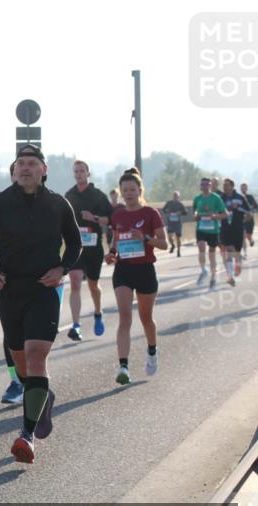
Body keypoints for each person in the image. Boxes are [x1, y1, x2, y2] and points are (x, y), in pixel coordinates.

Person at [0, 144, 82, 464]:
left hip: (43, 288)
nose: (25, 168)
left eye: (32, 163)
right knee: (21, 363)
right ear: (13, 171)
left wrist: (62, 269)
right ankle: (41, 396)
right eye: (20, 164)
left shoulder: (57, 204)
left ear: (44, 170)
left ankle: (25, 435)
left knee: (36, 353)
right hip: (10, 290)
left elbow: (76, 243)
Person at [104, 168, 167, 385]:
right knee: (124, 318)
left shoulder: (151, 213)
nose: (129, 193)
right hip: (123, 270)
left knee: (146, 318)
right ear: (120, 192)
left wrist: (146, 237)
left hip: (145, 270)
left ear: (139, 190)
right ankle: (123, 367)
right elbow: (115, 239)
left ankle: (151, 350)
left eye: (132, 189)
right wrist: (111, 254)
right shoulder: (118, 214)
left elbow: (164, 243)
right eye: (125, 190)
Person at [63, 159, 113, 340]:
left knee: (93, 285)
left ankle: (98, 313)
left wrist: (94, 218)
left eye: (82, 171)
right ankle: (76, 325)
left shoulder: (98, 195)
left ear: (88, 173)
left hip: (93, 247)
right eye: (76, 171)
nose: (78, 174)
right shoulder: (69, 195)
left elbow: (111, 219)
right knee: (75, 282)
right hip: (75, 247)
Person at [193, 177, 228, 288]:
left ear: (210, 185)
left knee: (212, 254)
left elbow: (225, 214)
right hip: (201, 229)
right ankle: (204, 269)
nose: (204, 186)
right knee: (201, 246)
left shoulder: (216, 198)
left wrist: (215, 216)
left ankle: (213, 277)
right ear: (200, 186)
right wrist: (196, 216)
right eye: (202, 184)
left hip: (213, 230)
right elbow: (194, 212)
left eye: (206, 184)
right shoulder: (197, 198)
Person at [221, 178, 250, 284]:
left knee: (236, 252)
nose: (225, 187)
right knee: (229, 251)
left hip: (237, 228)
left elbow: (248, 212)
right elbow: (217, 211)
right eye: (224, 185)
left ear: (232, 187)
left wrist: (238, 208)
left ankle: (238, 262)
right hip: (225, 228)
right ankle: (230, 276)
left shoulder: (240, 198)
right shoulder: (220, 199)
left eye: (227, 185)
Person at [161, 191, 188, 257]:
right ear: (173, 196)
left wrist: (180, 213)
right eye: (174, 196)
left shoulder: (180, 204)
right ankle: (173, 245)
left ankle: (178, 251)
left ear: (178, 197)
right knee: (169, 236)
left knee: (178, 238)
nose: (175, 197)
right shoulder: (169, 203)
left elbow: (185, 212)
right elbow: (163, 210)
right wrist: (167, 212)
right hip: (170, 222)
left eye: (177, 196)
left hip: (178, 223)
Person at [242, 182, 256, 252]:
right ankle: (244, 253)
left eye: (245, 187)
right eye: (242, 187)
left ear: (247, 189)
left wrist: (252, 210)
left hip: (250, 219)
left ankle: (251, 240)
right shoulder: (239, 197)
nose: (243, 189)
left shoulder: (250, 197)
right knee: (243, 236)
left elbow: (256, 207)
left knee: (248, 235)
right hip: (242, 220)